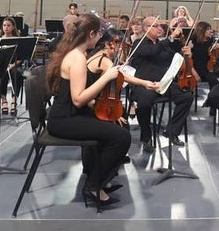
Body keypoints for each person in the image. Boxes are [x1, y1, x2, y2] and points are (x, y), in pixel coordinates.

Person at [45, 14, 147, 208]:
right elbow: (77, 99)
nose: (101, 39)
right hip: (65, 120)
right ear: (91, 34)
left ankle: (97, 178)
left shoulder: (76, 53)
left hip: (68, 115)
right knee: (121, 138)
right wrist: (106, 77)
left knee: (113, 127)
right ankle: (94, 185)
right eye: (99, 35)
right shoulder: (76, 58)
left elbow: (78, 98)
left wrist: (105, 111)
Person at [128, 16, 193, 153]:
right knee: (144, 103)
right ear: (146, 28)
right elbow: (152, 51)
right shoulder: (138, 43)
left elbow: (176, 58)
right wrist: (169, 38)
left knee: (186, 96)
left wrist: (186, 53)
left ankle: (171, 131)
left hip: (164, 84)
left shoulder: (164, 44)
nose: (160, 28)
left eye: (160, 26)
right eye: (155, 26)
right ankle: (146, 136)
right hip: (145, 84)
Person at [0, 15, 26, 112]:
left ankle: (14, 100)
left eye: (8, 25)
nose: (6, 27)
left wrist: (12, 65)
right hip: (1, 66)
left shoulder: (17, 40)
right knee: (0, 75)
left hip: (14, 65)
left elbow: (21, 58)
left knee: (17, 74)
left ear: (13, 27)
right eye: (4, 25)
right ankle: (4, 100)